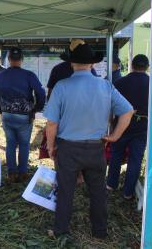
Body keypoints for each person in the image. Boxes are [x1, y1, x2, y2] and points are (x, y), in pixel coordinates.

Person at [44, 43, 134, 239]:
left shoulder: (62, 86)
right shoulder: (105, 85)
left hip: (68, 148)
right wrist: (115, 136)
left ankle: (60, 230)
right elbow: (128, 111)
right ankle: (100, 231)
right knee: (98, 192)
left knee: (66, 191)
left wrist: (51, 147)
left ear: (72, 63)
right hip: (96, 148)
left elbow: (51, 123)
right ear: (92, 64)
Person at [0, 47, 46, 183]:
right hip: (24, 116)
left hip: (7, 115)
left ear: (9, 59)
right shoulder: (29, 75)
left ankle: (11, 173)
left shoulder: (0, 76)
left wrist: (0, 110)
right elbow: (40, 93)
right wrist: (36, 109)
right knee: (24, 144)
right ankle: (22, 173)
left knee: (10, 144)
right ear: (22, 60)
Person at [107, 54, 150, 199]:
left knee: (116, 155)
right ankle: (128, 192)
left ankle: (111, 184)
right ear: (147, 67)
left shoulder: (120, 82)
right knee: (135, 159)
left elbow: (111, 105)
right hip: (143, 127)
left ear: (131, 65)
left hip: (121, 125)